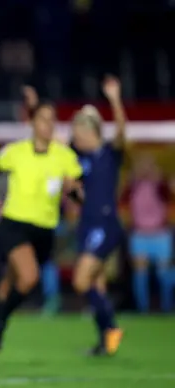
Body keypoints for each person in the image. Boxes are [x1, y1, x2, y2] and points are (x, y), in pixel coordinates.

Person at [0, 99, 83, 369]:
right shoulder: (16, 151)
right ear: (33, 123)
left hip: (45, 229)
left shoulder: (64, 155)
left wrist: (74, 191)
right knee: (29, 276)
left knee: (11, 282)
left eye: (51, 119)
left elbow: (78, 192)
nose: (48, 124)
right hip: (14, 223)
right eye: (43, 119)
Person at [68, 77, 127, 354]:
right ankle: (106, 340)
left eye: (79, 131)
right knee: (96, 283)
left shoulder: (108, 153)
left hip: (104, 224)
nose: (76, 136)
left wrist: (114, 98)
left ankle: (112, 327)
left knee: (81, 281)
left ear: (91, 131)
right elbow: (77, 193)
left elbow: (121, 133)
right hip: (87, 224)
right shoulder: (80, 160)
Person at [122, 155, 173, 313]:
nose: (145, 170)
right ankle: (142, 309)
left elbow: (169, 197)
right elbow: (123, 202)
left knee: (163, 274)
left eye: (149, 166)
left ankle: (167, 307)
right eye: (142, 166)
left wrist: (160, 178)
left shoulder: (160, 186)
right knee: (140, 274)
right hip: (140, 234)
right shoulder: (133, 187)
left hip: (160, 234)